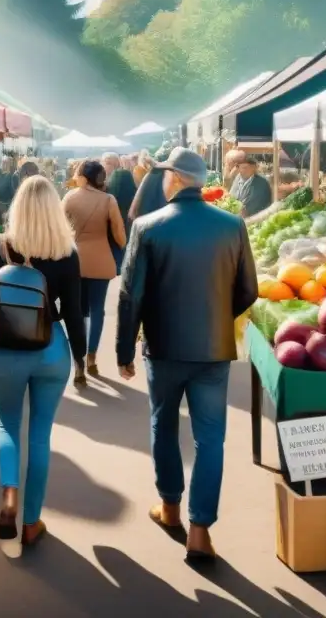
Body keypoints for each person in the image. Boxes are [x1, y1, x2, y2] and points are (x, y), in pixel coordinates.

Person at [116, 147, 258, 561]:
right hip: (213, 350)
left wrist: (124, 349)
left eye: (164, 175)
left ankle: (170, 508)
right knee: (210, 438)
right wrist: (216, 317)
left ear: (175, 179)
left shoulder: (148, 226)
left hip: (163, 348)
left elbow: (130, 296)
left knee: (163, 425)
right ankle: (200, 531)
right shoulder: (232, 225)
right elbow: (249, 288)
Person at [0, 175, 86, 548]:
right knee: (40, 435)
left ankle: (9, 498)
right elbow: (76, 315)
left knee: (8, 425)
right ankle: (32, 523)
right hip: (51, 351)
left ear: (15, 209)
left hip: (7, 354)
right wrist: (80, 360)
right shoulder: (67, 253)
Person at [62, 161, 127, 381]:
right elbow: (119, 234)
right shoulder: (109, 200)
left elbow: (61, 228)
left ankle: (77, 360)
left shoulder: (69, 197)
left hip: (74, 260)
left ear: (82, 176)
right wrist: (121, 245)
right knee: (97, 309)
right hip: (101, 259)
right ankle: (91, 357)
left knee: (77, 311)